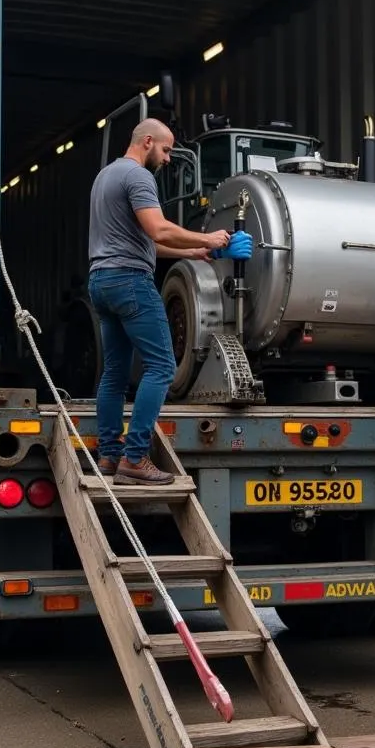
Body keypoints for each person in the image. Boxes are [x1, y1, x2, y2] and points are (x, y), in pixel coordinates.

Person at [87, 118, 252, 485]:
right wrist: (209, 239)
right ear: (147, 141)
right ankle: (135, 458)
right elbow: (158, 228)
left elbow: (145, 241)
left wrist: (194, 252)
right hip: (130, 282)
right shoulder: (138, 177)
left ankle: (110, 457)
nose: (166, 159)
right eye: (165, 150)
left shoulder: (105, 178)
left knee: (113, 374)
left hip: (101, 282)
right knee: (162, 366)